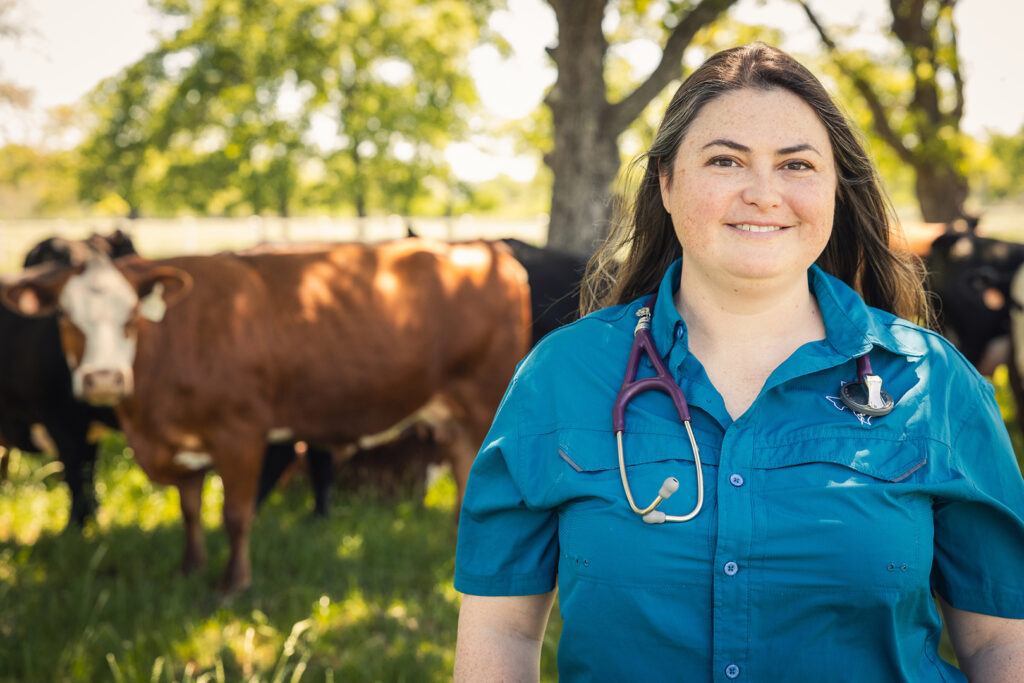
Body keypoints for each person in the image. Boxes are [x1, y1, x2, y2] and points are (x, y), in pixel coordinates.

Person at [452, 42, 1024, 681]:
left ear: (836, 188)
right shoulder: (561, 377)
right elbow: (500, 635)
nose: (763, 193)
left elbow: (1001, 643)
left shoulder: (935, 383)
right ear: (666, 182)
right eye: (726, 160)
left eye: (797, 165)